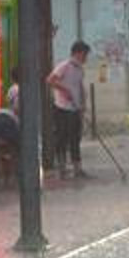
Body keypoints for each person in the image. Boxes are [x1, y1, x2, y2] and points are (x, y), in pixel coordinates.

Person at [46, 40, 90, 179]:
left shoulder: (80, 69)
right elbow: (50, 80)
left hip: (75, 108)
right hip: (62, 108)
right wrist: (64, 89)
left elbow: (80, 87)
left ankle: (78, 169)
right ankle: (62, 169)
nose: (85, 58)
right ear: (77, 53)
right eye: (84, 54)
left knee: (75, 139)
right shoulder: (64, 66)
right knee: (62, 138)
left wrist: (83, 104)